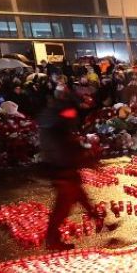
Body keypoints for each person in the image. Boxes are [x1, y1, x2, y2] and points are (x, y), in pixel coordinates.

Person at [39, 89, 103, 249]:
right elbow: (66, 146)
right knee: (63, 207)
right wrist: (83, 155)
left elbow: (67, 142)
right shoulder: (59, 124)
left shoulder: (53, 120)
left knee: (80, 196)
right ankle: (52, 240)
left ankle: (100, 220)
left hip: (62, 166)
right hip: (62, 168)